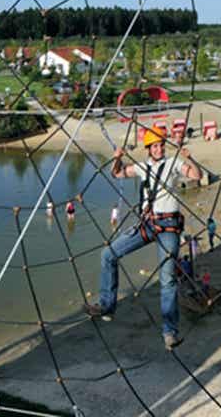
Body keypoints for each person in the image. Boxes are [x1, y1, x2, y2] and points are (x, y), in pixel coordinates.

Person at [86, 125, 203, 350]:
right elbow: (118, 173)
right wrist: (117, 158)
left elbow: (196, 175)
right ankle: (107, 305)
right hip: (146, 225)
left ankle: (170, 333)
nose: (159, 149)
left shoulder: (173, 164)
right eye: (155, 146)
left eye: (161, 145)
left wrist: (191, 159)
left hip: (168, 226)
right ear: (148, 148)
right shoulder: (142, 167)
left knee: (167, 279)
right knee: (108, 254)